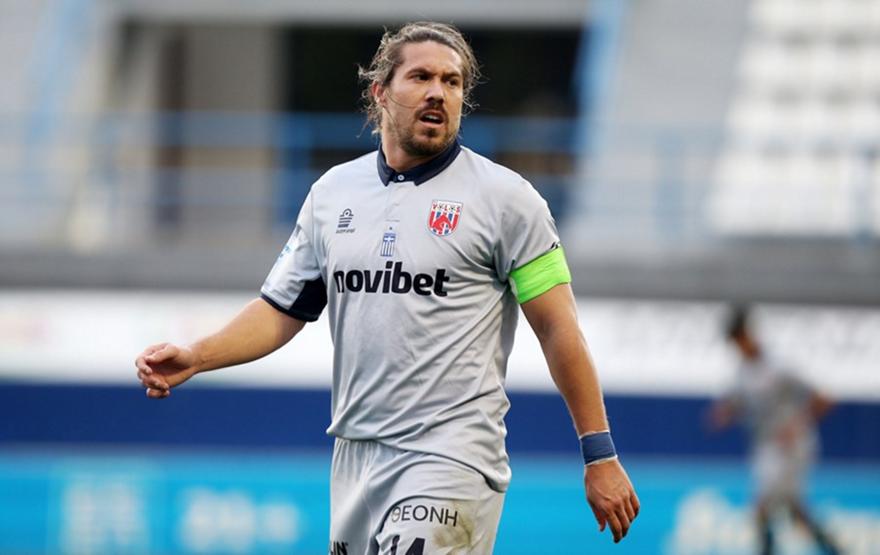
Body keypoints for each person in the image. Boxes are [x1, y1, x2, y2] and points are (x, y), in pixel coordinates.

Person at [135, 21, 638, 554]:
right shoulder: (332, 194)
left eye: (452, 82)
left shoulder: (509, 201)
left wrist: (600, 453)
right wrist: (197, 356)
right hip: (356, 457)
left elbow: (559, 328)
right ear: (379, 92)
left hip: (450, 456)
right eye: (421, 77)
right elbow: (281, 310)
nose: (438, 93)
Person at [710, 307, 840, 555]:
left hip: (791, 448)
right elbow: (739, 403)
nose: (738, 347)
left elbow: (824, 398)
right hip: (766, 449)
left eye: (739, 339)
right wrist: (725, 414)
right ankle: (838, 550)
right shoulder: (743, 372)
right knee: (794, 513)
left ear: (747, 334)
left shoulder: (779, 366)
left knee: (762, 508)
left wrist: (797, 424)